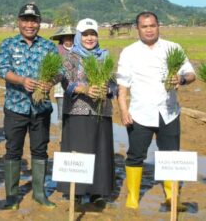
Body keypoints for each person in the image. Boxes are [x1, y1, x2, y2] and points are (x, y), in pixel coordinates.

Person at [117, 11, 195, 211]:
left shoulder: (173, 48)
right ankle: (133, 197)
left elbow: (190, 73)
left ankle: (171, 196)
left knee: (171, 155)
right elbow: (123, 86)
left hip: (168, 112)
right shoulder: (129, 52)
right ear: (138, 29)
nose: (149, 29)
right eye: (144, 26)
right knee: (135, 155)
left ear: (158, 26)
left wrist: (182, 79)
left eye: (152, 25)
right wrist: (124, 110)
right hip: (140, 113)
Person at [0, 3, 59, 210]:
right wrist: (22, 80)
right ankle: (12, 196)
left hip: (41, 108)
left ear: (39, 22)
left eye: (34, 20)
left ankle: (39, 193)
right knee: (13, 150)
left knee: (40, 150)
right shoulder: (8, 44)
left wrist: (50, 82)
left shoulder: (48, 46)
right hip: (15, 107)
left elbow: (59, 71)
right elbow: (3, 70)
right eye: (25, 20)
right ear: (19, 22)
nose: (30, 24)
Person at [57, 18, 114, 207]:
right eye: (86, 34)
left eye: (93, 34)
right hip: (77, 111)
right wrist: (84, 89)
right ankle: (78, 191)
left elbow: (114, 83)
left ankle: (98, 192)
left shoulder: (104, 56)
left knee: (100, 149)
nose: (90, 38)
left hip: (101, 111)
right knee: (78, 150)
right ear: (79, 36)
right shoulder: (70, 57)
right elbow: (65, 82)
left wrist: (106, 88)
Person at [49, 25, 75, 119]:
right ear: (62, 38)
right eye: (66, 37)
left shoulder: (79, 50)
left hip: (78, 86)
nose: (69, 40)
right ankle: (62, 131)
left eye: (71, 37)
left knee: (75, 113)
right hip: (60, 87)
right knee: (62, 115)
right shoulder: (56, 50)